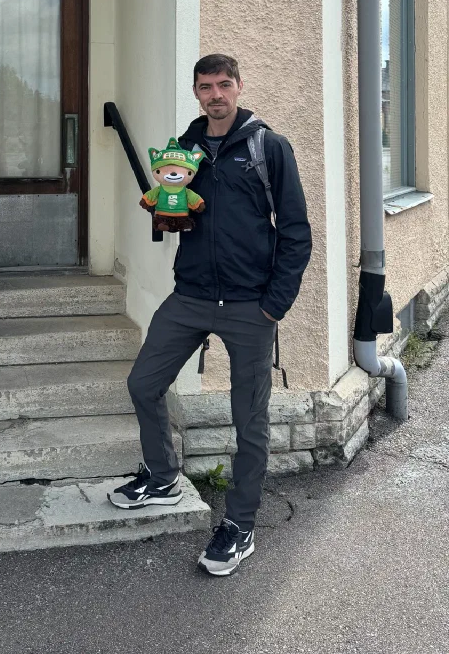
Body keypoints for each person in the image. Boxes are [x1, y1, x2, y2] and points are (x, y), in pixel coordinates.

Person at [108, 53, 312, 576]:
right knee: (143, 382)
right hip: (192, 297)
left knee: (250, 421)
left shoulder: (270, 148)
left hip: (250, 305)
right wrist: (166, 213)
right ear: (196, 93)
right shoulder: (186, 147)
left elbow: (295, 233)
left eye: (224, 84)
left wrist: (274, 305)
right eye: (206, 87)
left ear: (239, 87)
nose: (215, 94)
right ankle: (162, 477)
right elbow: (183, 213)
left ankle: (240, 524)